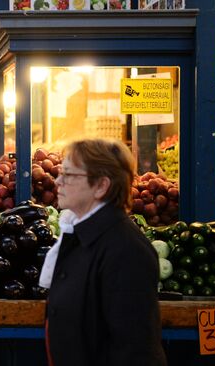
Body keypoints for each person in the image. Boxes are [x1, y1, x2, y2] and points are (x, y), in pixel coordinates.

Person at [40, 139, 166, 365]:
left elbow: (135, 349)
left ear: (101, 186)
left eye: (68, 175)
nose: (57, 181)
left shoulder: (126, 250)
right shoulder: (79, 235)